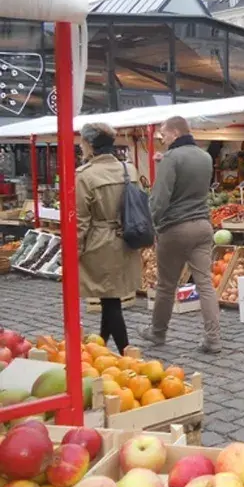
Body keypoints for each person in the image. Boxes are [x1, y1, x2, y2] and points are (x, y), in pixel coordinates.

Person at [140, 116, 222, 353]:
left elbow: (159, 198)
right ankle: (213, 339)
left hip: (175, 228)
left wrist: (152, 225)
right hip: (203, 226)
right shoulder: (205, 157)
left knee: (167, 286)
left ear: (175, 133)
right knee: (205, 283)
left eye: (164, 135)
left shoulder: (172, 158)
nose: (162, 139)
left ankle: (157, 333)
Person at [76, 123, 141, 354]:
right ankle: (102, 345)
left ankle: (126, 353)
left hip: (100, 241)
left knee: (110, 300)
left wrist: (74, 251)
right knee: (109, 297)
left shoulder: (85, 175)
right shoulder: (129, 170)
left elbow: (80, 220)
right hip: (127, 239)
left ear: (90, 144)